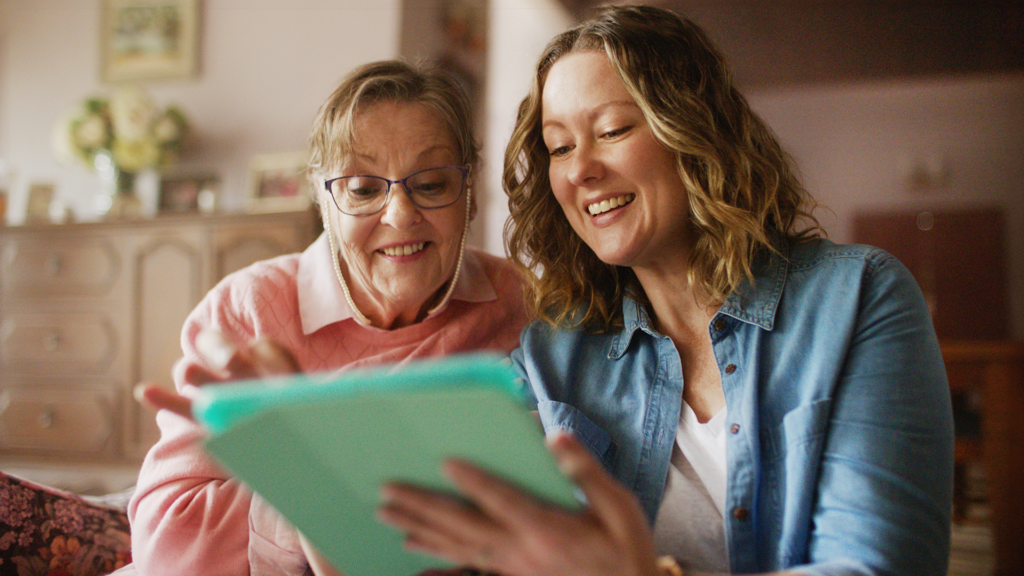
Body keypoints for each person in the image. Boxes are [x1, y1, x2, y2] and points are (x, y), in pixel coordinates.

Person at [372, 5, 954, 576]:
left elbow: (872, 564)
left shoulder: (859, 297)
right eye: (560, 147)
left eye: (612, 130)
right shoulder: (551, 357)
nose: (580, 172)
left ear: (697, 130)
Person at [123, 59, 531, 576]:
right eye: (363, 189)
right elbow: (170, 544)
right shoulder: (247, 309)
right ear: (322, 196)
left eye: (430, 183)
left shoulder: (522, 304)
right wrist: (319, 480)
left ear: (470, 195)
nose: (401, 215)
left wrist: (310, 476)